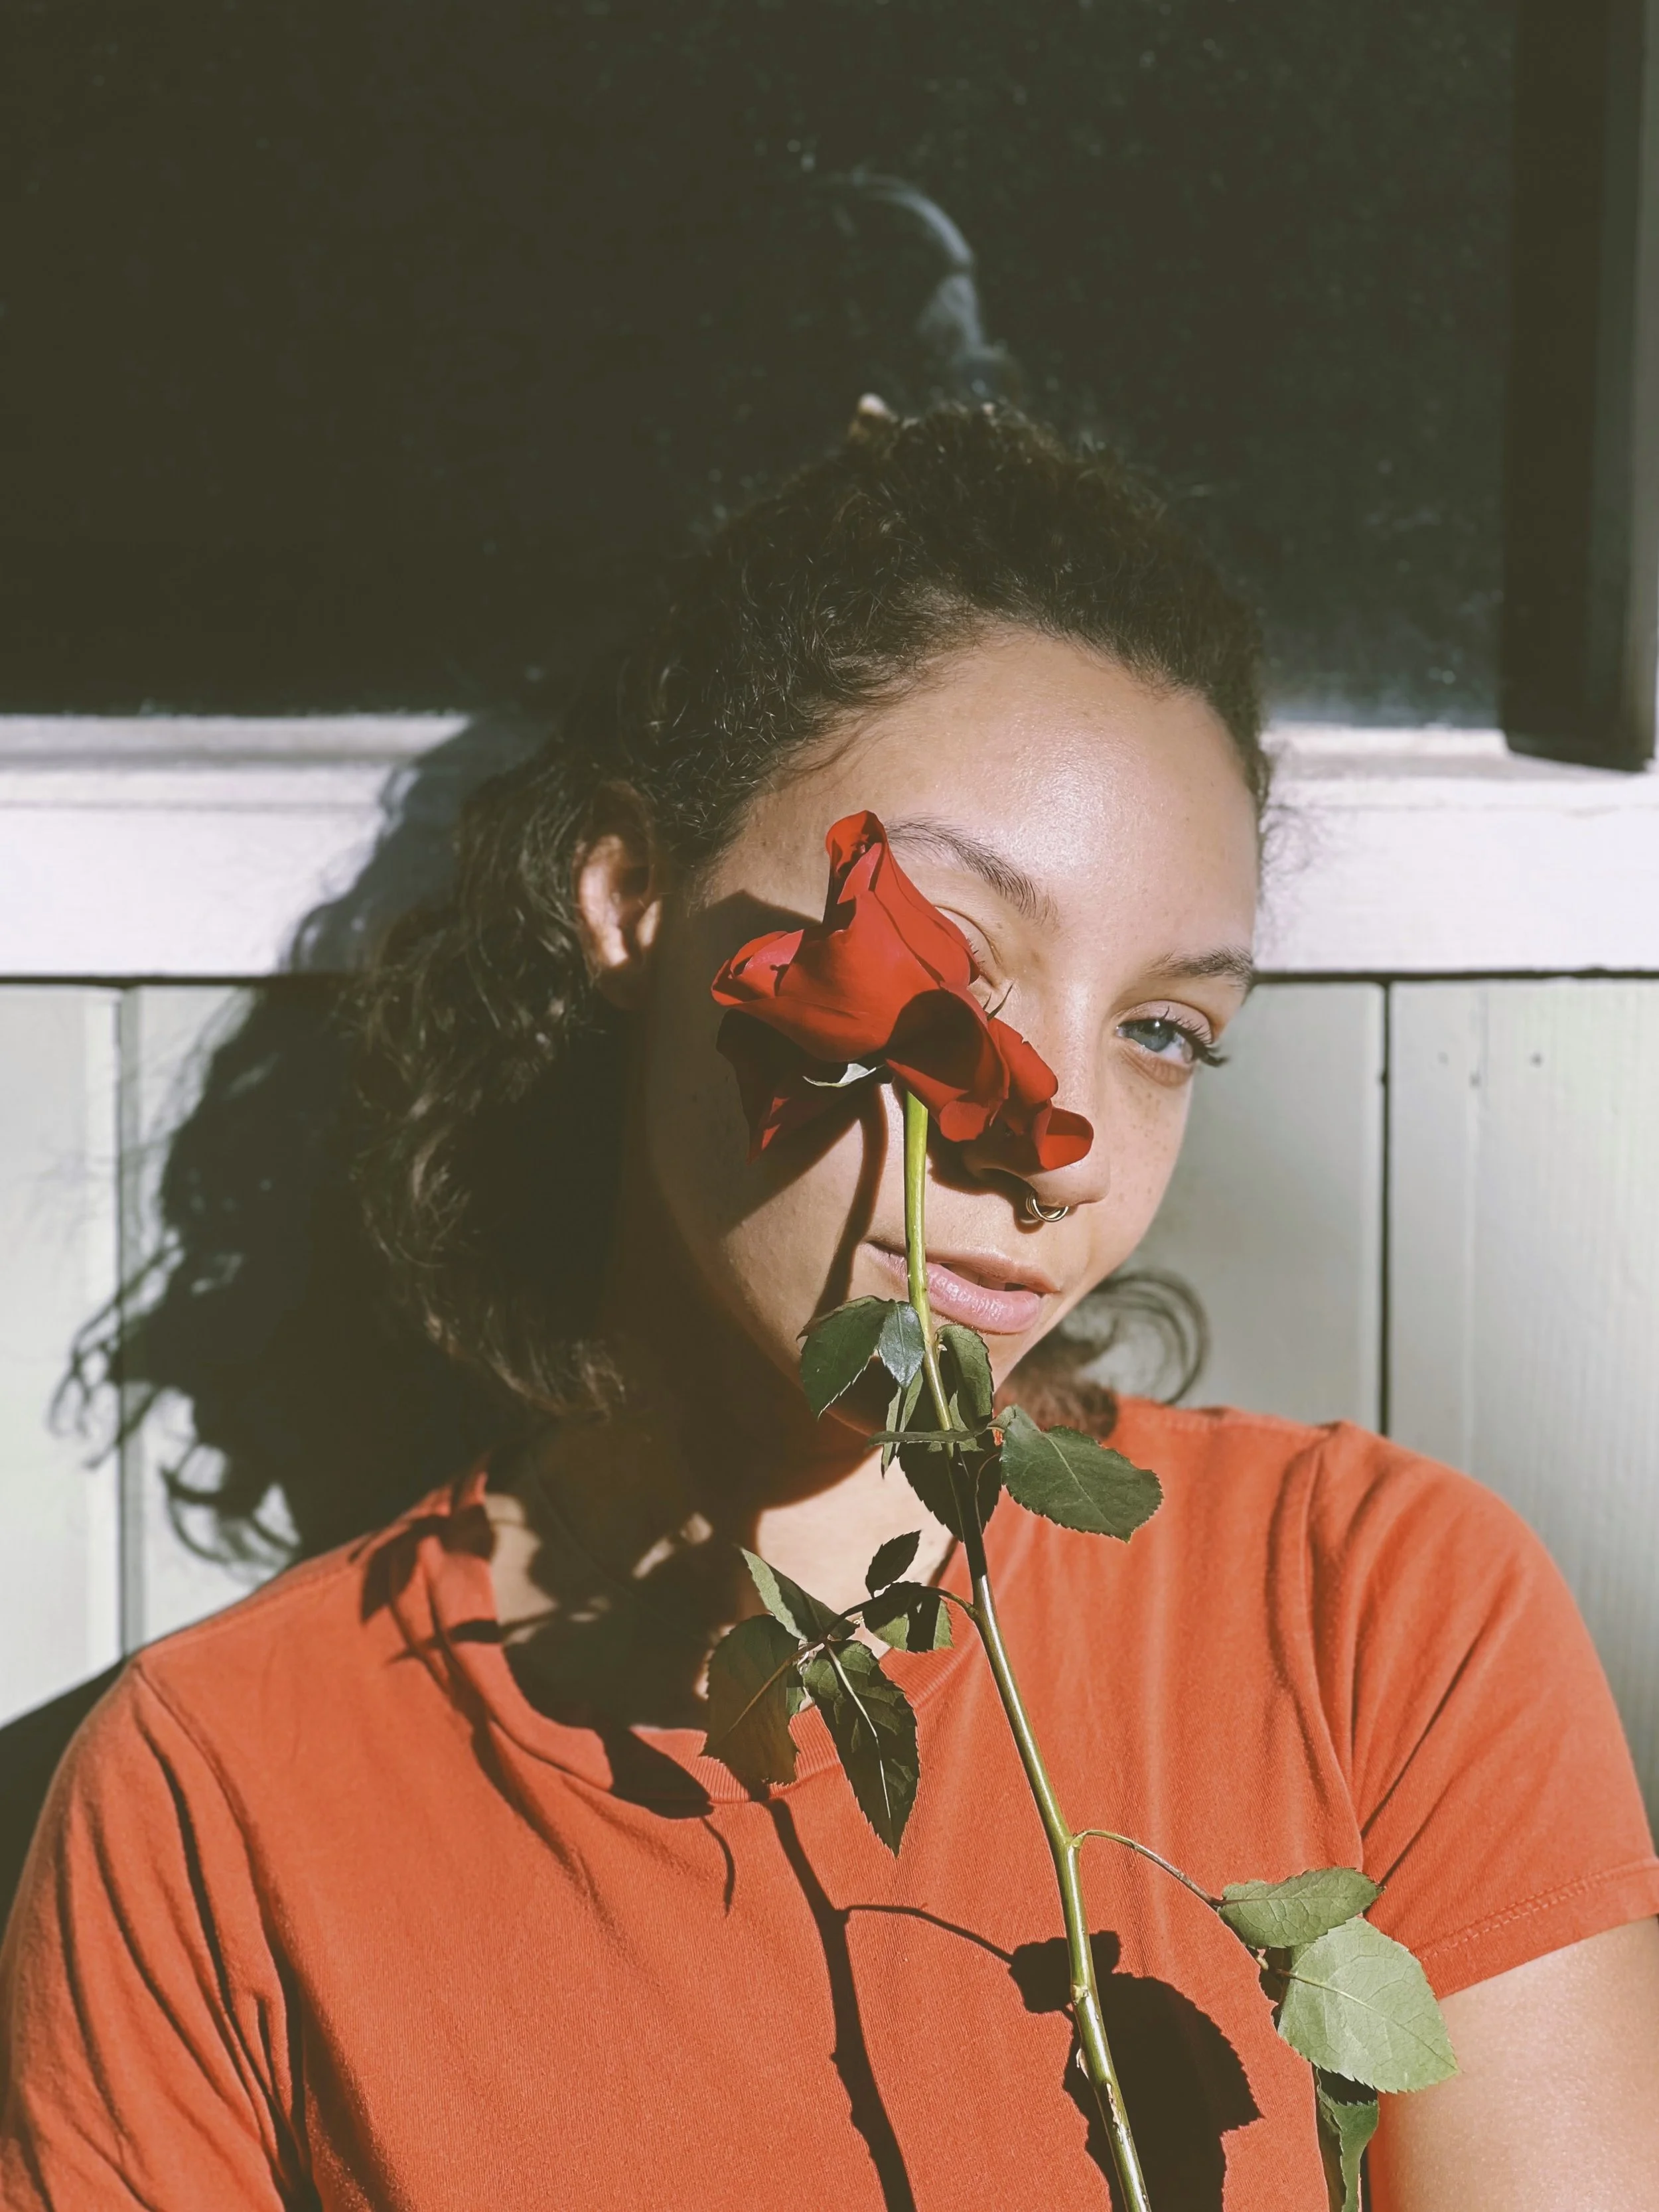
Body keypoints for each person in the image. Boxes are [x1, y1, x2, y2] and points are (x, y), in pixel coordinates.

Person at [3, 404, 1657, 2211]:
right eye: (947, 967)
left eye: (1163, 1030)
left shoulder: (1374, 1615)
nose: (1059, 1142)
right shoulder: (222, 1800)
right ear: (630, 895)